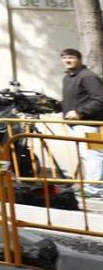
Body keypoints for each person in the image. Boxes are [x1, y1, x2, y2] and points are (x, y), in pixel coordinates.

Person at [59, 49, 103, 199]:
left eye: (71, 57)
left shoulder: (88, 76)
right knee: (86, 156)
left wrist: (80, 112)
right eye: (64, 58)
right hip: (76, 124)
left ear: (79, 59)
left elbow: (100, 98)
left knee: (94, 155)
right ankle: (92, 186)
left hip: (90, 123)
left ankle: (95, 189)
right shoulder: (68, 77)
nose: (67, 60)